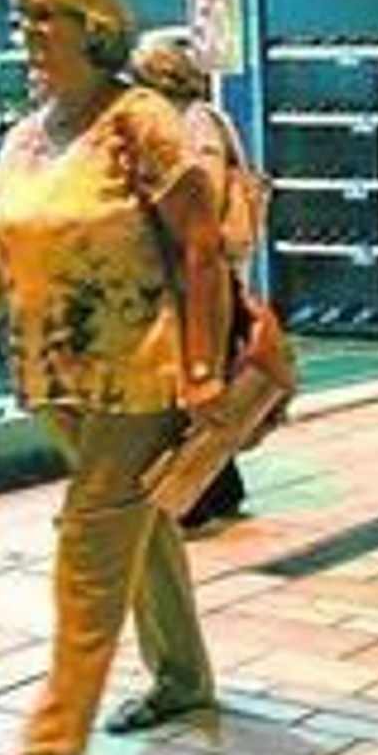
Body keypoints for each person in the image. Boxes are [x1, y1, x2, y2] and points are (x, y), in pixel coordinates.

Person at [0, 0, 228, 755]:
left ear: (96, 27)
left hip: (139, 371)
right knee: (139, 528)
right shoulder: (27, 137)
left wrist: (203, 368)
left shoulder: (139, 122)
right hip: (51, 378)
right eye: (21, 16)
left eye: (45, 16)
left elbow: (202, 246)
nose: (26, 30)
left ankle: (51, 749)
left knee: (90, 546)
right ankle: (181, 679)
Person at [128, 29, 251, 534]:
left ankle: (190, 499)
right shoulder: (208, 119)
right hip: (206, 272)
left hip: (194, 277)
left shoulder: (188, 127)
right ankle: (218, 490)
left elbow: (199, 213)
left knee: (190, 386)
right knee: (205, 382)